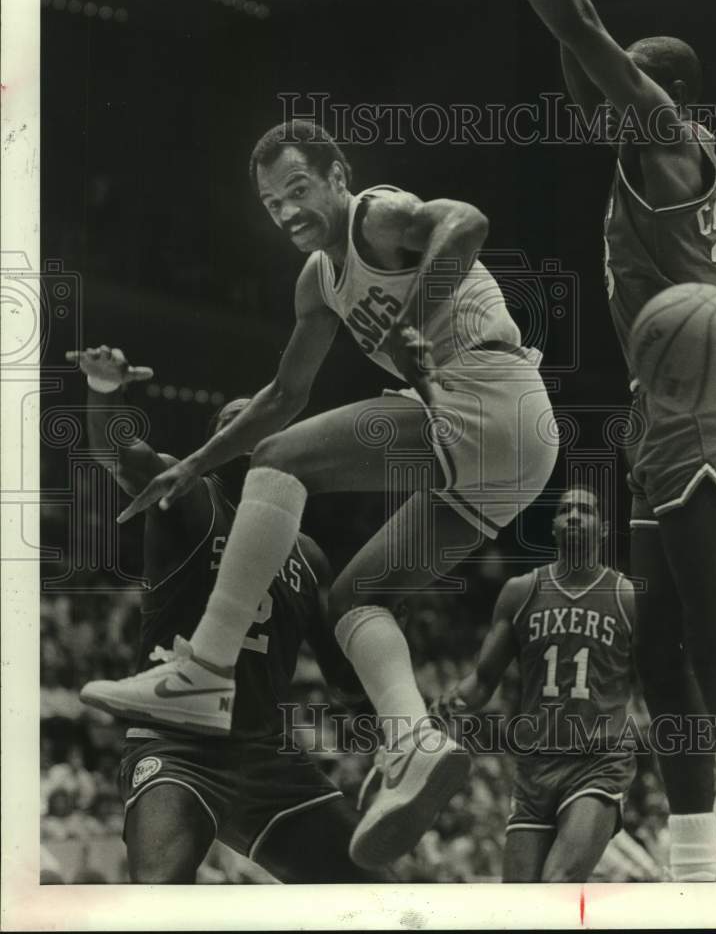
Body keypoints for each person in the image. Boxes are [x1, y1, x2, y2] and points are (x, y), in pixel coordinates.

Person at [80, 121, 558, 867]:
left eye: (299, 189)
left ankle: (202, 671)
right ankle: (411, 743)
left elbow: (466, 221)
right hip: (517, 454)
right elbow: (282, 395)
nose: (288, 212)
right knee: (355, 599)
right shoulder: (318, 282)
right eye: (272, 204)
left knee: (278, 463)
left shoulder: (375, 217)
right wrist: (196, 463)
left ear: (339, 177)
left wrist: (407, 320)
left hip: (487, 390)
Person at [523, 0, 716, 880]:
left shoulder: (670, 143)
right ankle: (694, 855)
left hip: (707, 413)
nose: (601, 100)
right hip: (659, 413)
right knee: (657, 645)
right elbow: (582, 65)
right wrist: (583, 44)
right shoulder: (639, 154)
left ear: (657, 91)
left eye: (624, 83)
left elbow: (580, 33)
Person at [74, 345, 387, 883]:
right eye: (231, 419)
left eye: (259, 417)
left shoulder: (308, 554)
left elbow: (343, 680)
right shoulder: (191, 493)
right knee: (158, 895)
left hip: (265, 756)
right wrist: (104, 389)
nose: (248, 423)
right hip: (176, 744)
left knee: (378, 893)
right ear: (217, 443)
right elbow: (117, 453)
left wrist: (392, 719)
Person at [434, 486, 636, 882]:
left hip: (598, 760)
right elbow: (482, 681)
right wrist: (445, 706)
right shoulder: (521, 592)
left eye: (586, 511)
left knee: (556, 884)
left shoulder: (625, 596)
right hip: (535, 766)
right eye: (565, 510)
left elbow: (662, 673)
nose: (574, 516)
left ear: (604, 529)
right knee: (519, 906)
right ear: (554, 526)